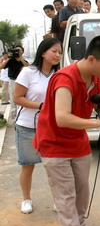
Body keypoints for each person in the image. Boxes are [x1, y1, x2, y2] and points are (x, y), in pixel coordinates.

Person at [33, 36, 100, 226]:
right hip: (53, 143)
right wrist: (97, 123)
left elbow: (93, 100)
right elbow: (61, 118)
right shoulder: (65, 78)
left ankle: (80, 225)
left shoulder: (96, 78)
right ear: (91, 58)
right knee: (65, 195)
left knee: (82, 189)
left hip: (77, 141)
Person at [13, 38, 62, 214]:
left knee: (54, 166)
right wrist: (42, 106)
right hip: (27, 126)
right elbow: (17, 98)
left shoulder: (59, 75)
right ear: (43, 52)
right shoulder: (28, 72)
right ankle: (26, 199)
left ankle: (58, 200)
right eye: (54, 51)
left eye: (60, 52)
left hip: (51, 127)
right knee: (28, 165)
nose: (57, 55)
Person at [0, 45, 29, 121]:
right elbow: (1, 67)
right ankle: (14, 120)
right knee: (13, 100)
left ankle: (21, 118)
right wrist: (9, 58)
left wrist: (20, 59)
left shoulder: (24, 61)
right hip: (13, 81)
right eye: (16, 50)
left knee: (22, 99)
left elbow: (28, 67)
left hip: (22, 82)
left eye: (19, 50)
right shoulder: (10, 60)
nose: (17, 52)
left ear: (22, 52)